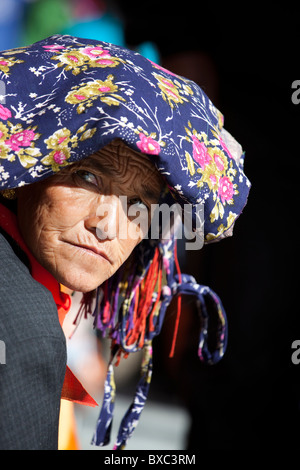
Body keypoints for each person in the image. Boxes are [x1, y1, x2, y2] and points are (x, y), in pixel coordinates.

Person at [0, 34, 250, 450]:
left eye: (139, 203)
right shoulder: (24, 331)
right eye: (88, 177)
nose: (107, 225)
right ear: (34, 163)